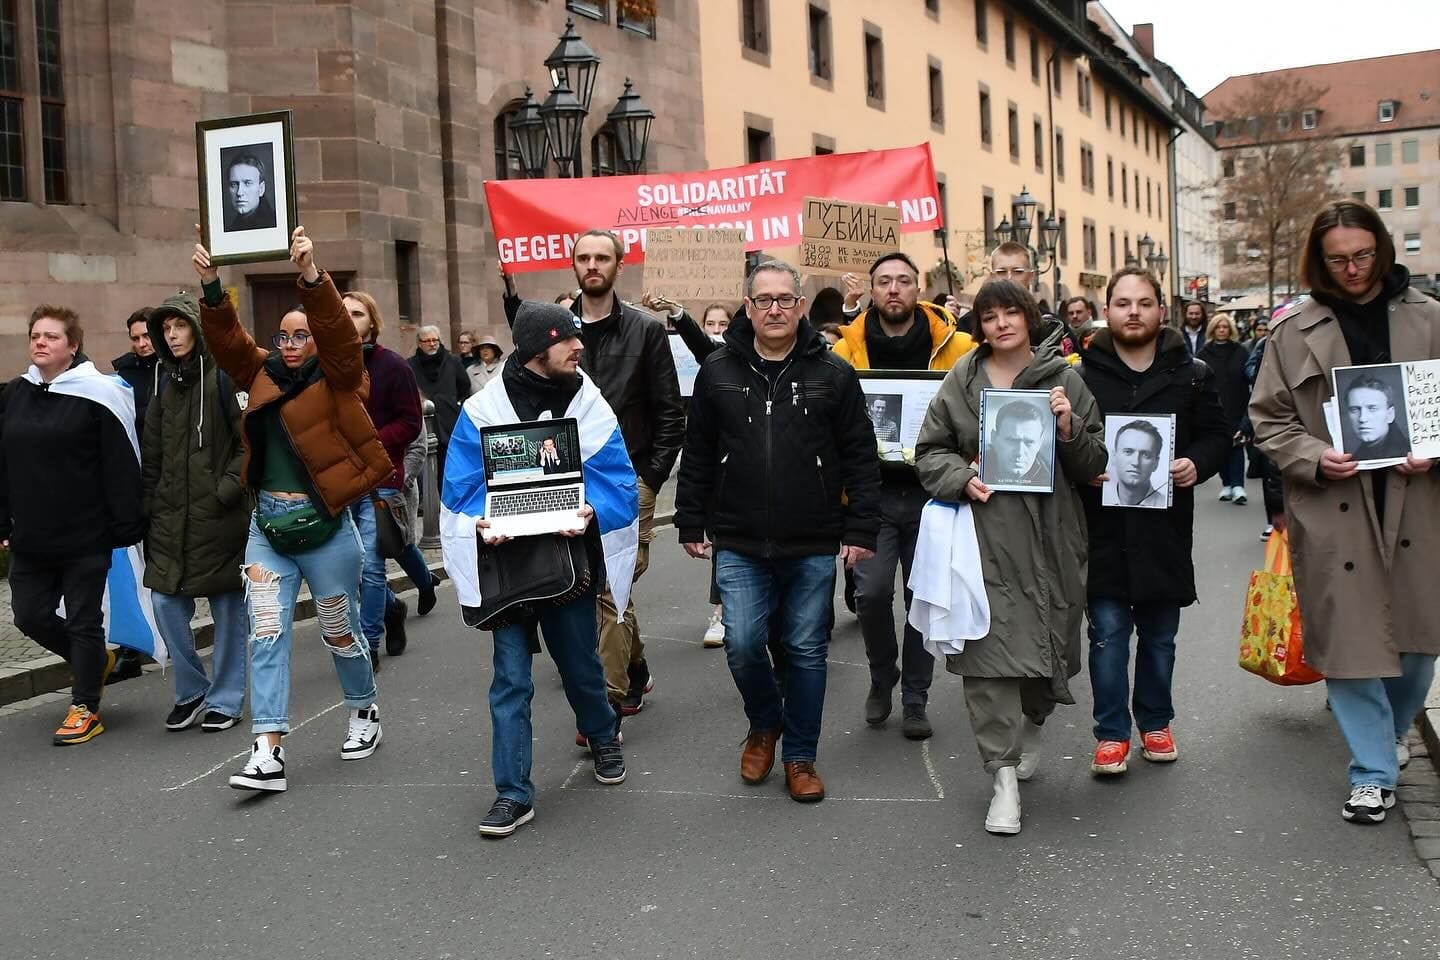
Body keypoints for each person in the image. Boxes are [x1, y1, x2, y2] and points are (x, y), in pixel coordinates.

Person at [1250, 198, 1440, 824]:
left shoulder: (1430, 319)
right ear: (1319, 261)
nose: (1353, 269)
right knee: (1349, 640)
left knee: (1419, 639)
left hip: (1418, 501)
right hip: (1335, 503)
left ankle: (1391, 729)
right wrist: (1310, 455)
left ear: (1382, 249)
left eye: (1362, 256)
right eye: (1338, 260)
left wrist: (1433, 451)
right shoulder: (1293, 331)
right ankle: (1371, 770)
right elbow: (1268, 419)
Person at [194, 226, 393, 794]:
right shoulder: (260, 375)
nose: (289, 343)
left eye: (299, 335)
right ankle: (268, 749)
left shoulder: (341, 378)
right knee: (267, 633)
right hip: (268, 532)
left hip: (329, 529)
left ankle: (363, 710)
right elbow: (230, 342)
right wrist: (211, 287)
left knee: (337, 630)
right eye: (282, 335)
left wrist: (310, 276)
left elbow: (338, 336)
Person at [678, 259, 880, 802]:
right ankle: (765, 722)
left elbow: (860, 455)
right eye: (763, 299)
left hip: (812, 538)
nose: (774, 308)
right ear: (747, 307)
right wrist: (690, 518)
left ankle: (800, 756)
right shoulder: (717, 370)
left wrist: (861, 527)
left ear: (799, 307)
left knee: (806, 649)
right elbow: (696, 452)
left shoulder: (832, 371)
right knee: (742, 644)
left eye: (784, 299)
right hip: (739, 538)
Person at [914, 279, 1106, 834]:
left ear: (1029, 317)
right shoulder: (963, 379)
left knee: (1050, 643)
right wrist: (963, 477)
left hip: (1051, 536)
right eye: (989, 315)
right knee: (987, 657)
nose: (1001, 324)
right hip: (984, 537)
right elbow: (929, 452)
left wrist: (1068, 426)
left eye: (1011, 313)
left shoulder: (1067, 378)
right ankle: (1000, 777)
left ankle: (1035, 715)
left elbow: (1093, 461)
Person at [440, 300, 635, 838]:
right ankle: (512, 793)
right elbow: (460, 488)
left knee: (579, 666)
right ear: (534, 350)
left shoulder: (590, 405)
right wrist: (482, 520)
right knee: (510, 679)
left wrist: (591, 510)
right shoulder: (481, 411)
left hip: (565, 562)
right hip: (505, 564)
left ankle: (601, 734)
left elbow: (616, 478)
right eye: (568, 340)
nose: (580, 348)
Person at [1079, 267, 1231, 776]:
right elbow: (1066, 447)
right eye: (1123, 303)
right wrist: (1086, 469)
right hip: (1102, 531)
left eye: (1144, 303)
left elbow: (1216, 434)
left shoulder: (1192, 373)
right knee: (1107, 636)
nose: (1133, 312)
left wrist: (1197, 462)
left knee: (1160, 640)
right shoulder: (1081, 375)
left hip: (1165, 532)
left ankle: (1155, 721)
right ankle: (1111, 734)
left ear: (1161, 310)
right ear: (1107, 310)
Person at [831, 250, 975, 739]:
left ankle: (916, 695)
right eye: (884, 281)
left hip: (933, 495)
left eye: (904, 281)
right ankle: (881, 675)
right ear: (871, 291)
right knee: (870, 594)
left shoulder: (957, 348)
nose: (894, 289)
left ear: (918, 290)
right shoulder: (845, 351)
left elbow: (983, 402)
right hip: (869, 496)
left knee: (923, 598)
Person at [0, 305, 146, 744]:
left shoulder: (97, 394)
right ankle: (93, 661)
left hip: (85, 532)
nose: (40, 342)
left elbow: (119, 464)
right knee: (28, 616)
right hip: (30, 534)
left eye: (51, 336)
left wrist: (125, 527)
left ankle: (86, 706)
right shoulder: (14, 394)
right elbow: (3, 464)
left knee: (84, 621)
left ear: (73, 346)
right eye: (35, 336)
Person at [569, 229, 685, 718]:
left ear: (619, 264)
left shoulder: (646, 330)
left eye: (602, 257)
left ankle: (607, 703)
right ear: (573, 265)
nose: (592, 265)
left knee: (611, 583)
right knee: (594, 583)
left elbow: (669, 414)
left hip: (628, 479)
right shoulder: (556, 329)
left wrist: (650, 481)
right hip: (567, 482)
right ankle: (634, 668)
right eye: (583, 257)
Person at [142, 293, 250, 733]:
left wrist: (225, 492)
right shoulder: (162, 383)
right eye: (165, 329)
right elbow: (153, 453)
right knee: (165, 601)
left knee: (227, 607)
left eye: (180, 326)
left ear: (196, 329)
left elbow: (248, 444)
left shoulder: (223, 376)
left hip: (219, 516)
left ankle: (225, 698)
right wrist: (149, 502)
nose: (172, 335)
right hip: (171, 518)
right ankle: (191, 690)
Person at [345, 291, 423, 668]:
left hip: (381, 478)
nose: (348, 318)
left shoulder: (393, 366)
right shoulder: (322, 365)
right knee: (350, 568)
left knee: (372, 565)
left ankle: (367, 644)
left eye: (357, 313)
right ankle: (392, 608)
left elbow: (411, 422)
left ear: (372, 323)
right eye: (341, 312)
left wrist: (371, 442)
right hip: (339, 482)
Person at [407, 324, 471, 483]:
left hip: (449, 422)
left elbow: (464, 386)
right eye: (427, 340)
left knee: (449, 468)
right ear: (419, 343)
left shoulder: (453, 361)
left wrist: (452, 403)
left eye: (435, 340)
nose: (432, 343)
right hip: (423, 424)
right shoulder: (409, 365)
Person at [1197, 314, 1251, 503]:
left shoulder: (1241, 351)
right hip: (1214, 406)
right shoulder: (1204, 353)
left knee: (1236, 444)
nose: (1222, 330)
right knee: (1221, 445)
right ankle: (1227, 484)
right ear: (1213, 329)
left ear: (1230, 330)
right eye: (1218, 327)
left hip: (1237, 404)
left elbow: (1249, 376)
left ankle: (1238, 486)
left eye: (1225, 327)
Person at [981, 400, 1053, 485]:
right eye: (1012, 441)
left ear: (1039, 444)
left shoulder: (1051, 481)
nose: (1019, 452)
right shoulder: (976, 471)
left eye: (1029, 442)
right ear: (994, 438)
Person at [1341, 375, 1410, 459]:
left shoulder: (1413, 452)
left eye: (1372, 408)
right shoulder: (1356, 457)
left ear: (1390, 415)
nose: (1362, 418)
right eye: (1355, 409)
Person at [113, 308, 159, 437]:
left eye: (147, 336)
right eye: (135, 339)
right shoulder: (126, 371)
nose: (141, 344)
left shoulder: (175, 369)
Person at [1106, 420, 1167, 507]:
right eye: (1128, 452)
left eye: (1146, 455)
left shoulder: (1165, 505)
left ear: (1156, 463)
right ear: (1113, 457)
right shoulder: (1096, 501)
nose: (1136, 462)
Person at [223, 153, 277, 232]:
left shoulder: (274, 225)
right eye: (234, 184)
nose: (239, 192)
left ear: (261, 189)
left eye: (248, 183)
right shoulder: (234, 227)